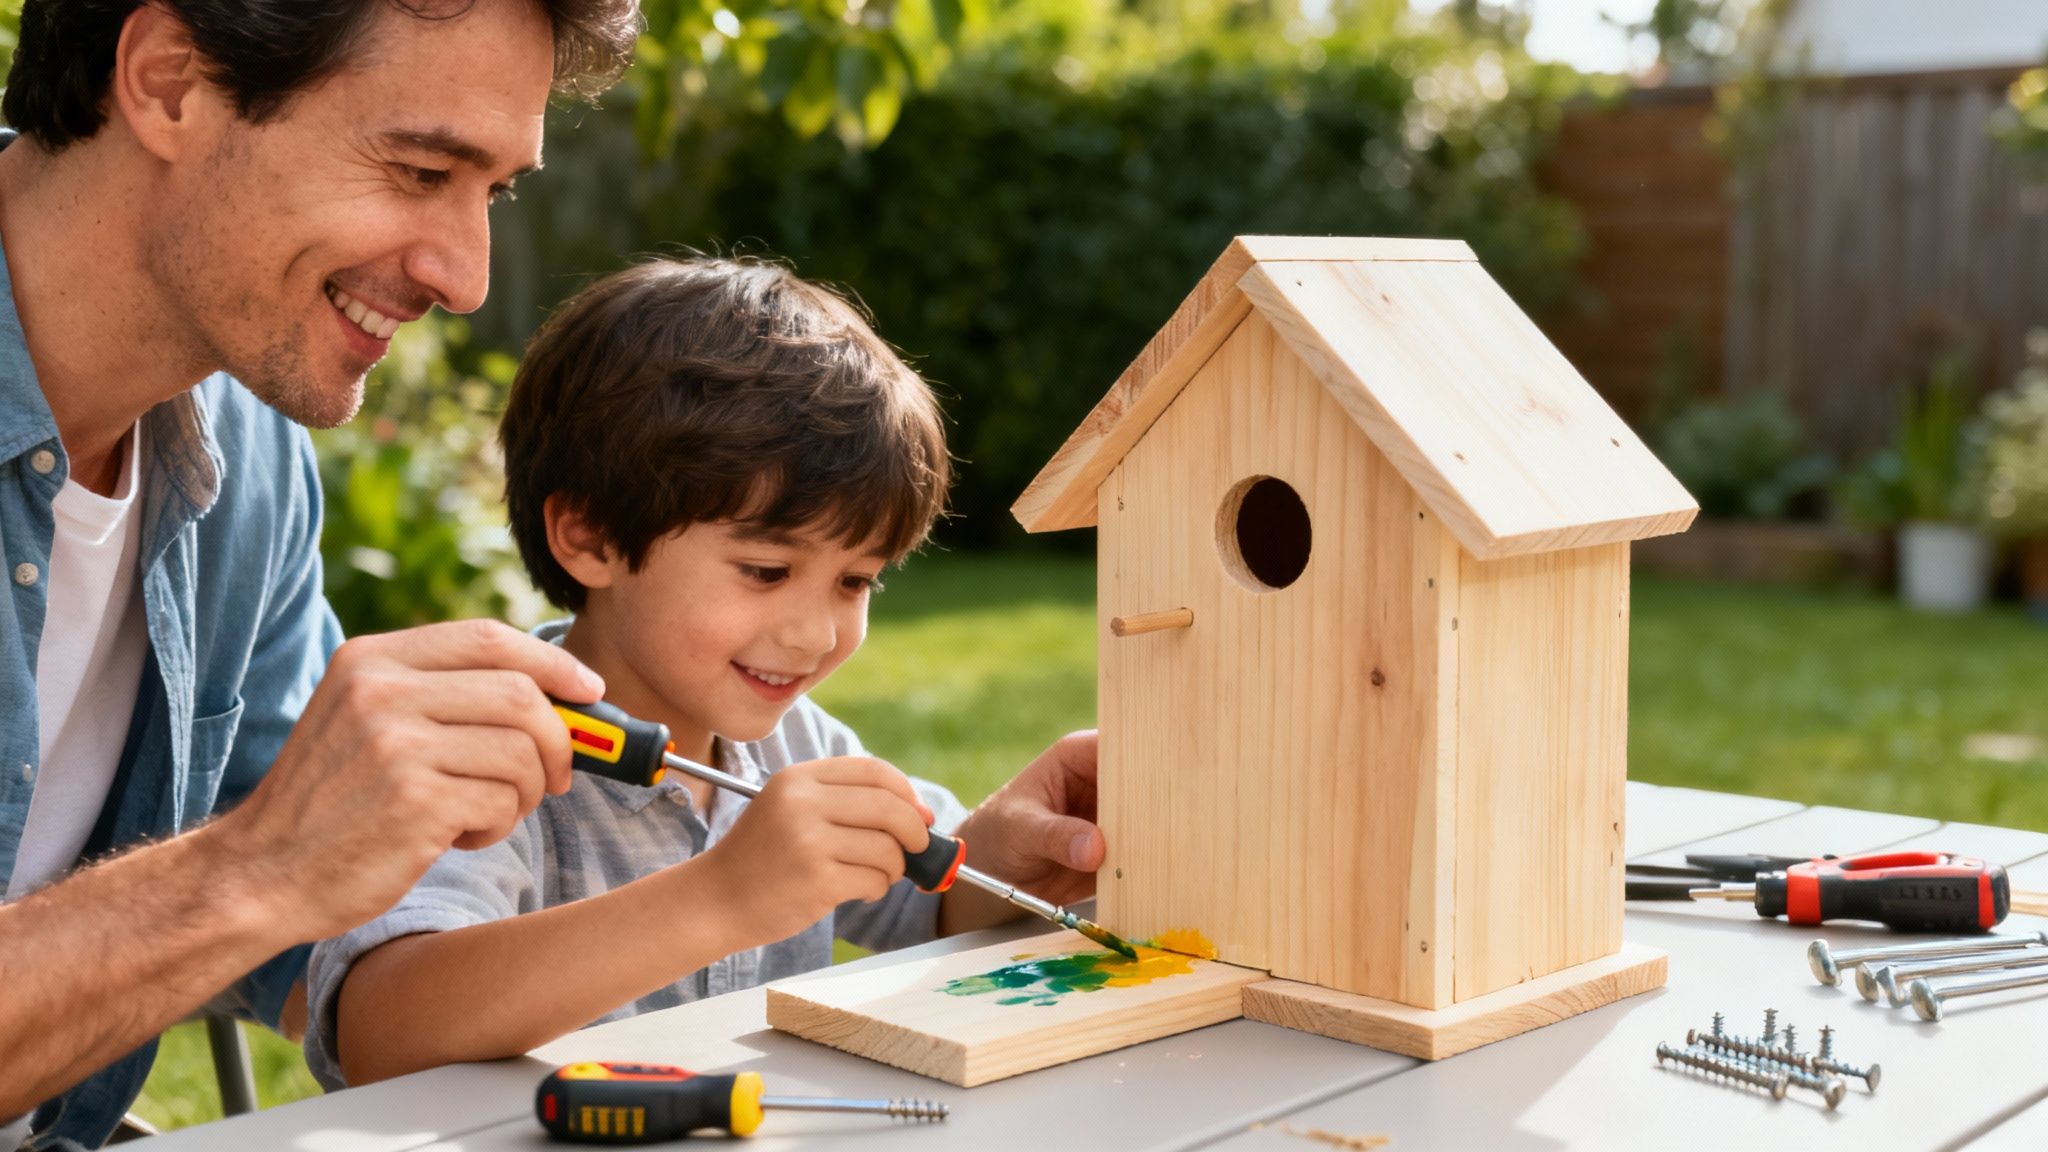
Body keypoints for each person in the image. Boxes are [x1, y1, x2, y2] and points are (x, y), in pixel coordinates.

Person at [305, 257, 1102, 1085]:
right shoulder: (479, 749)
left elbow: (933, 906)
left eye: (855, 581)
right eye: (765, 571)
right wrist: (721, 898)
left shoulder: (800, 742)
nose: (815, 633)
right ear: (591, 537)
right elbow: (381, 1031)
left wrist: (1007, 853)